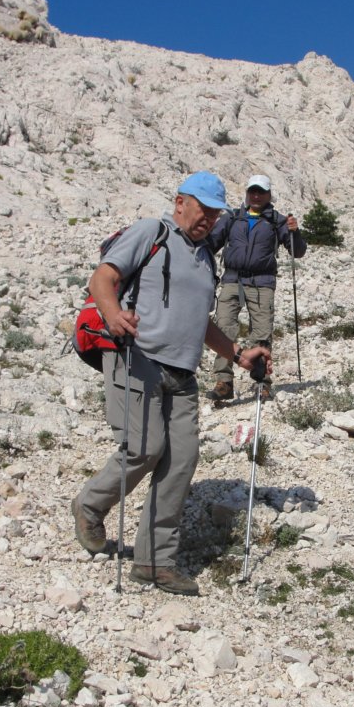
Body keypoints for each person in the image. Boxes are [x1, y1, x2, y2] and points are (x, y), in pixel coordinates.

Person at [71, 171, 272, 596]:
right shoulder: (152, 233)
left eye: (216, 214)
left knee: (181, 460)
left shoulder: (206, 258)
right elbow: (102, 278)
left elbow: (202, 322)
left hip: (182, 373)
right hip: (136, 358)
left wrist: (238, 354)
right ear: (181, 202)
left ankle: (154, 562)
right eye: (204, 210)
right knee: (144, 448)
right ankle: (89, 506)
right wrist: (113, 315)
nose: (209, 220)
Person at [204, 174, 306, 401]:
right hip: (232, 280)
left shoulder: (278, 221)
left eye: (261, 192)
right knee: (223, 327)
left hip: (262, 282)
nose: (256, 196)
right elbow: (210, 244)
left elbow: (297, 251)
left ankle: (262, 382)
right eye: (253, 191)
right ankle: (224, 382)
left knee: (262, 332)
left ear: (269, 194)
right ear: (247, 193)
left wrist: (295, 232)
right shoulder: (232, 218)